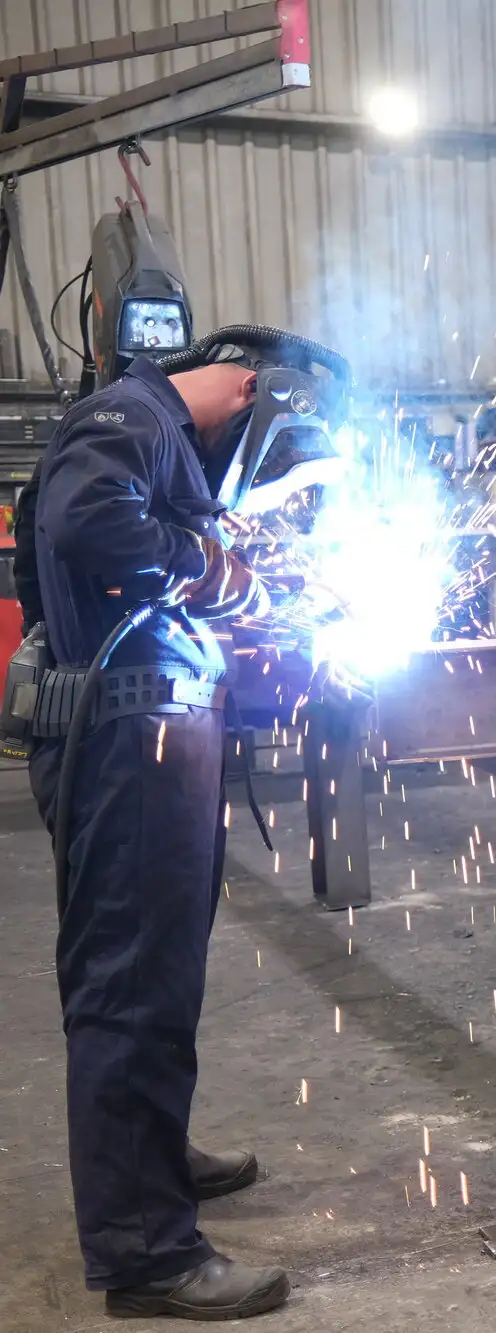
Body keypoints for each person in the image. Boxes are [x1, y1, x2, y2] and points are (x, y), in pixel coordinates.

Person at [27, 355, 290, 1320]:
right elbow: (90, 523)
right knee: (131, 984)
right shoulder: (130, 418)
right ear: (250, 396)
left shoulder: (153, 433)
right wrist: (218, 573)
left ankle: (149, 1157)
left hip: (154, 743)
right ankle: (146, 1252)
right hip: (125, 749)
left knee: (159, 975)